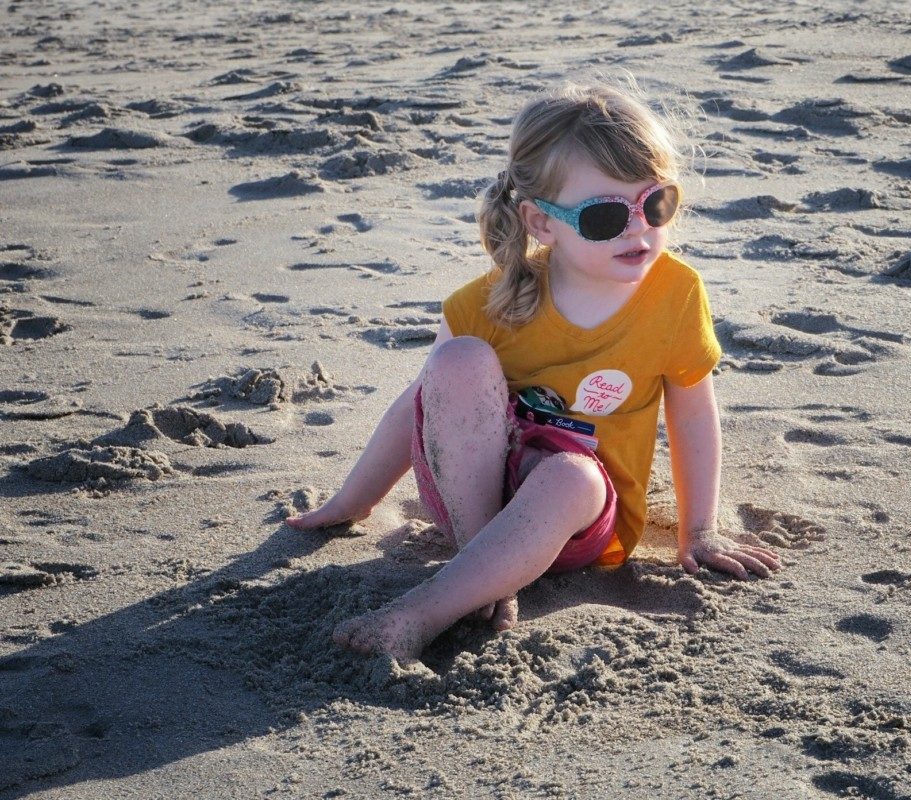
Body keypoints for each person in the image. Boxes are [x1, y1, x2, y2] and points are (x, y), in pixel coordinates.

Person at [286, 80, 782, 662]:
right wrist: (354, 500)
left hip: (579, 524)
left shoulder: (676, 294)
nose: (639, 230)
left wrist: (699, 531)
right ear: (541, 223)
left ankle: (423, 611)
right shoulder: (490, 301)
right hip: (473, 505)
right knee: (457, 359)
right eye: (603, 217)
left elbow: (694, 411)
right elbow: (424, 405)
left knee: (570, 477)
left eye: (656, 204)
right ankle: (483, 571)